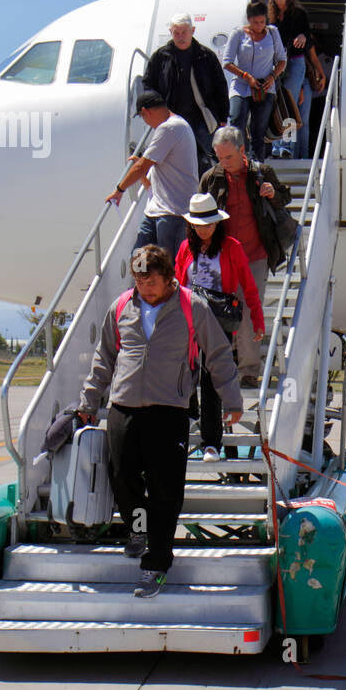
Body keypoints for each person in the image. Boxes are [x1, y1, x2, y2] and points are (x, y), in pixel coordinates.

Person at [77, 245, 243, 598]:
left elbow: (218, 354)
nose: (145, 289)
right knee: (122, 477)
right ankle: (138, 529)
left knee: (166, 490)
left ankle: (156, 565)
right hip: (124, 405)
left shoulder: (191, 307)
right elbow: (104, 356)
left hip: (169, 409)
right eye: (139, 281)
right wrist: (90, 400)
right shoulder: (122, 306)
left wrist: (232, 399)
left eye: (151, 282)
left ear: (169, 278)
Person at [198, 126, 292, 387]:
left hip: (254, 256)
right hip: (221, 257)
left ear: (242, 151)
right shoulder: (211, 178)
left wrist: (273, 194)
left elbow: (285, 196)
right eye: (219, 157)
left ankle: (249, 371)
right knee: (217, 311)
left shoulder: (261, 173)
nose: (223, 163)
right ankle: (220, 367)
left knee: (251, 312)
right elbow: (198, 215)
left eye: (228, 157)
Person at [174, 193, 264, 462]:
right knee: (182, 375)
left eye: (209, 224)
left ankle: (211, 443)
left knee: (211, 381)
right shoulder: (184, 248)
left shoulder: (232, 247)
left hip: (217, 323)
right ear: (191, 225)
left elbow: (248, 285)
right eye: (199, 224)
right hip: (188, 321)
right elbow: (177, 285)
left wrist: (258, 320)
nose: (205, 229)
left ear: (217, 223)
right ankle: (185, 426)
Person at [110, 91, 197, 258]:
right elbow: (152, 177)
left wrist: (119, 190)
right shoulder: (177, 126)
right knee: (139, 261)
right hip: (157, 211)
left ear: (146, 111)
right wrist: (140, 168)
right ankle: (142, 284)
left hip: (171, 214)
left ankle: (152, 283)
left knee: (165, 267)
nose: (147, 123)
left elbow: (142, 167)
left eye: (143, 118)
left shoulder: (170, 127)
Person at [142, 13, 232, 176]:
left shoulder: (206, 56)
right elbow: (148, 85)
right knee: (174, 162)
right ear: (171, 32)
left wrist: (223, 118)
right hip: (172, 119)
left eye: (184, 32)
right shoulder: (160, 57)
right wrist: (158, 110)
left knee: (213, 159)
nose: (180, 36)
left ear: (192, 31)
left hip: (202, 120)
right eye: (176, 32)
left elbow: (220, 86)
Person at [223, 0, 285, 160]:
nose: (259, 26)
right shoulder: (238, 34)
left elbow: (282, 60)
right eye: (255, 22)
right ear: (249, 20)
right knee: (237, 121)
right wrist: (246, 76)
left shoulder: (273, 33)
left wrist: (272, 76)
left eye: (262, 22)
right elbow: (227, 62)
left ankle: (257, 165)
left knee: (258, 129)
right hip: (242, 85)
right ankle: (238, 159)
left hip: (264, 87)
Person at [268, 0, 313, 159]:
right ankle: (276, 147)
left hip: (294, 62)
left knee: (289, 104)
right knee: (274, 104)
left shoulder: (299, 14)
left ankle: (286, 147)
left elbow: (309, 41)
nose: (279, 1)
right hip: (276, 64)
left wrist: (303, 36)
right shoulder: (271, 16)